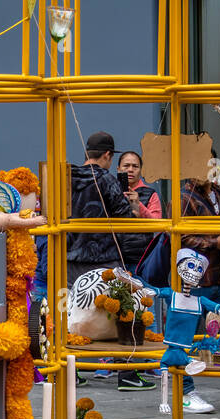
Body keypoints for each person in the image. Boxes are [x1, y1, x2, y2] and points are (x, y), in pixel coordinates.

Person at [67, 132, 154, 391]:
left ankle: (71, 371)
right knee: (123, 308)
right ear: (107, 155)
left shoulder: (66, 176)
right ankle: (126, 373)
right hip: (104, 257)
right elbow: (123, 218)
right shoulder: (106, 179)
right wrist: (132, 207)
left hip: (70, 256)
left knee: (72, 313)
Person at [179, 172, 220, 413]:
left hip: (216, 277)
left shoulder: (217, 194)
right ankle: (185, 392)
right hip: (193, 279)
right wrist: (217, 243)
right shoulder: (184, 198)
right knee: (183, 338)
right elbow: (182, 238)